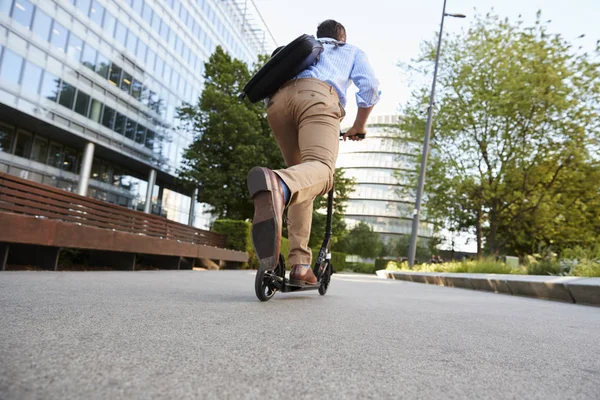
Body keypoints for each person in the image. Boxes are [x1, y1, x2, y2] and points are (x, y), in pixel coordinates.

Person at [247, 19, 380, 285]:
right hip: (317, 99)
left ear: (319, 37)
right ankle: (279, 185)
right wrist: (358, 126)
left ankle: (301, 265)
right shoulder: (350, 50)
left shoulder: (300, 52)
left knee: (303, 181)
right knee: (321, 171)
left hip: (277, 106)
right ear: (341, 37)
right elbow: (370, 88)